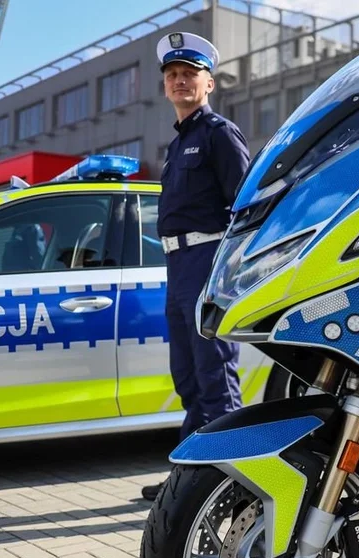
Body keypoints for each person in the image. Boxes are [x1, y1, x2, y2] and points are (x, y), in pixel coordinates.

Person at [142, 31, 250, 502]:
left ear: (209, 83)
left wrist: (231, 273)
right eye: (172, 75)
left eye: (190, 74)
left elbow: (246, 206)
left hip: (208, 263)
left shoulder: (218, 134)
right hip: (177, 265)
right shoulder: (177, 144)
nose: (180, 81)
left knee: (214, 376)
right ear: (165, 86)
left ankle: (244, 481)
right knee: (187, 378)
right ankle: (190, 483)